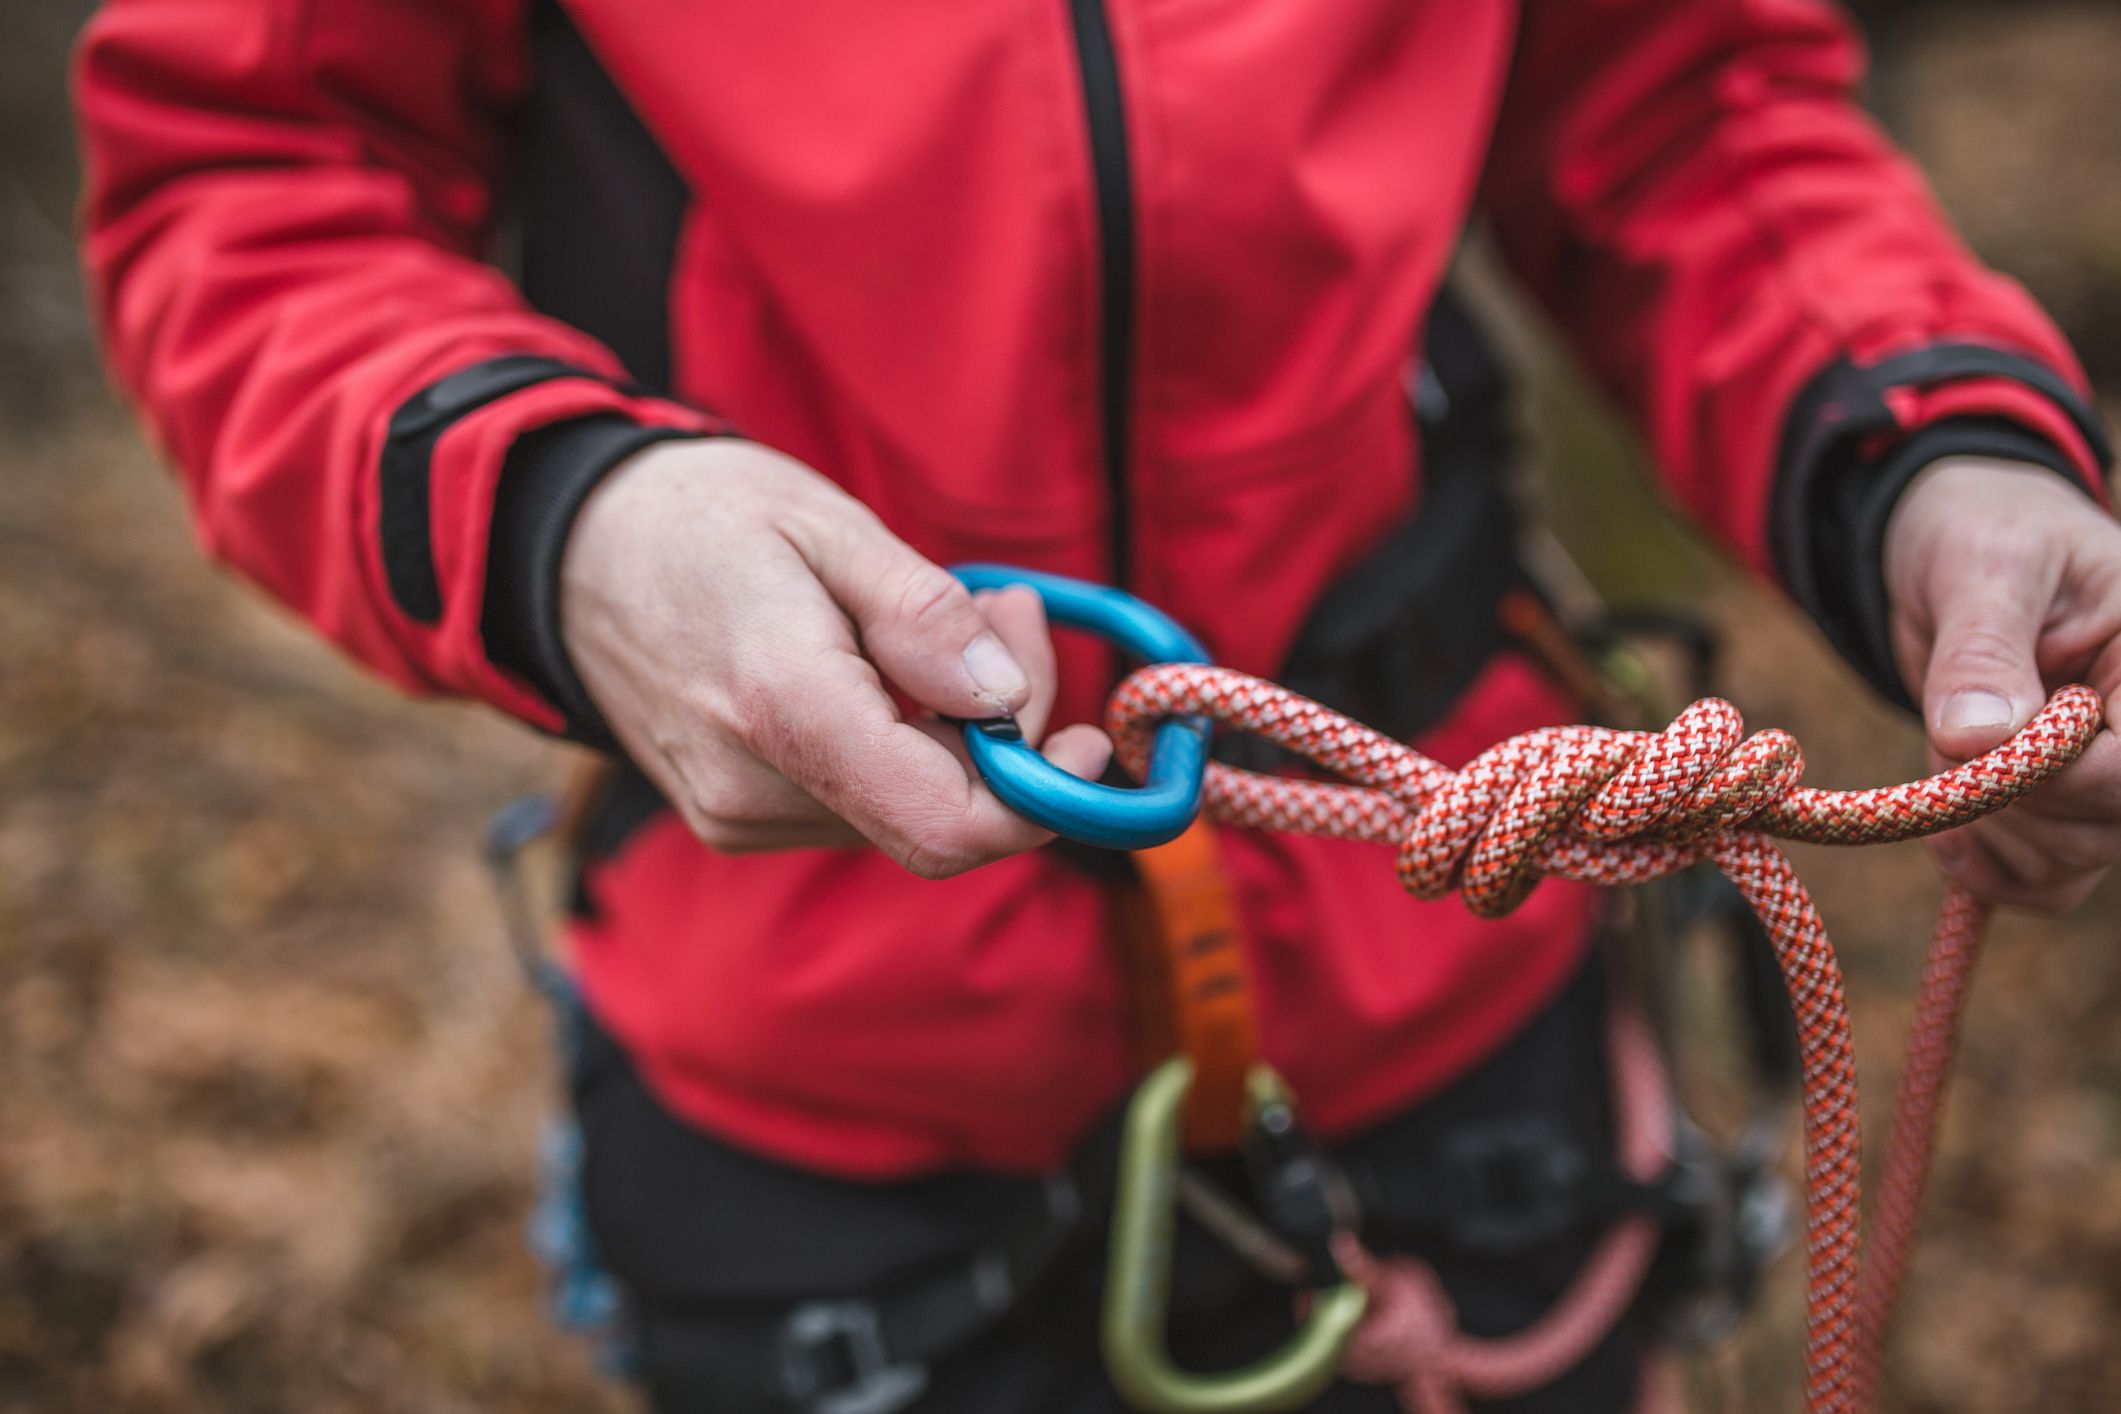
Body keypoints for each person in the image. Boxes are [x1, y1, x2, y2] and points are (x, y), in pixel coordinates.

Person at [74, 0, 2120, 1409]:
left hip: (1451, 973)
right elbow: (252, 179)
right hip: (811, 1051)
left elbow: (1671, 103)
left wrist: (1926, 443)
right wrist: (561, 515)